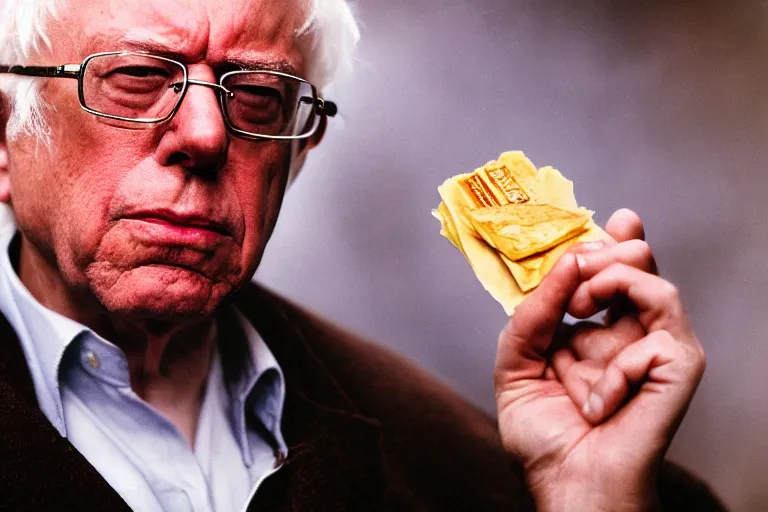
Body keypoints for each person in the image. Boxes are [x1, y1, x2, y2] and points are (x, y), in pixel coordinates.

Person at [0, 0, 726, 510]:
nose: (206, 135)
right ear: (5, 137)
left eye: (257, 94)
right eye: (135, 77)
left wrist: (588, 495)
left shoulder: (464, 465)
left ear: (300, 151)